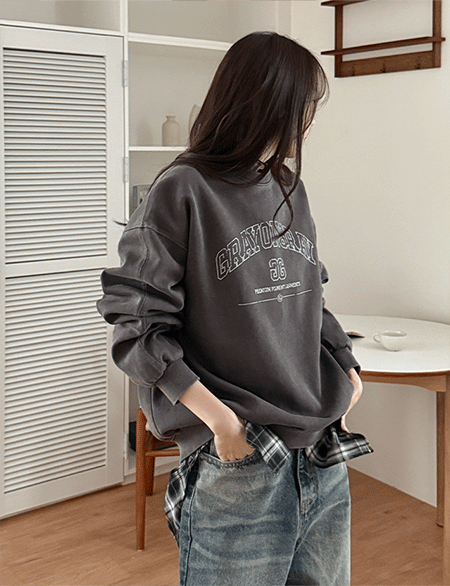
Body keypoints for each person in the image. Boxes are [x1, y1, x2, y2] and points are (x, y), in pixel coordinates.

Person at [97, 31, 371, 586]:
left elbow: (310, 292)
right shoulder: (182, 190)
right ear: (268, 102)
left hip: (321, 448)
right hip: (241, 458)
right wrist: (222, 424)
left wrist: (346, 365)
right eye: (304, 105)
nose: (308, 121)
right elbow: (137, 327)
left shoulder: (288, 186)